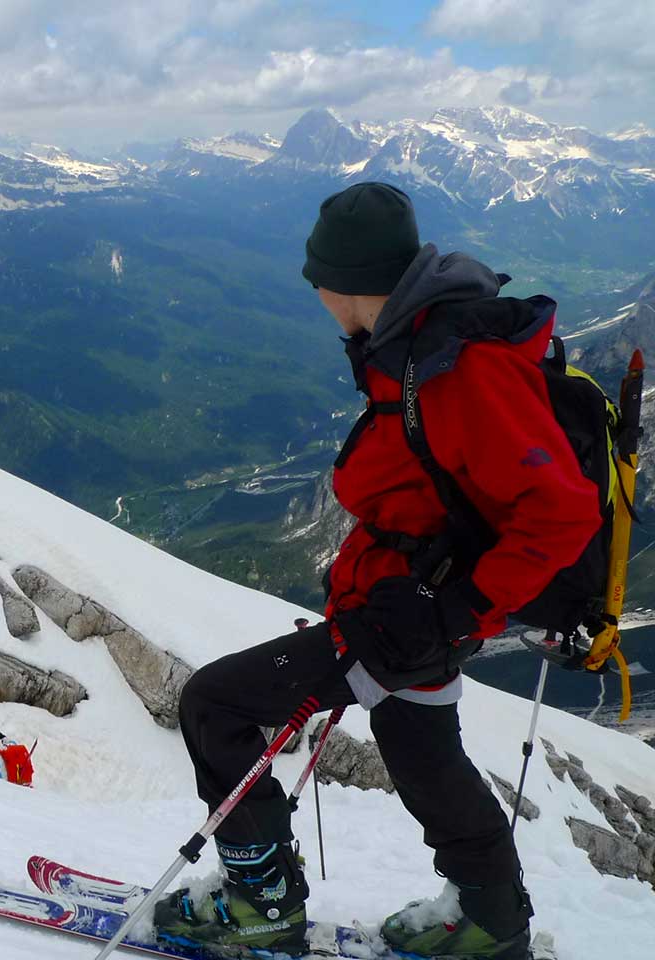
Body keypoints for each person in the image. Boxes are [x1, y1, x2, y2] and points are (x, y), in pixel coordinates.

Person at [154, 183, 601, 958]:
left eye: (316, 280)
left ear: (347, 283)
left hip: (414, 614)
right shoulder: (413, 347)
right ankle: (491, 919)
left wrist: (457, 611)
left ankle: (260, 902)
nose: (314, 295)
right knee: (419, 744)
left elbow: (561, 512)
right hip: (414, 607)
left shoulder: (458, 367)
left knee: (215, 705)